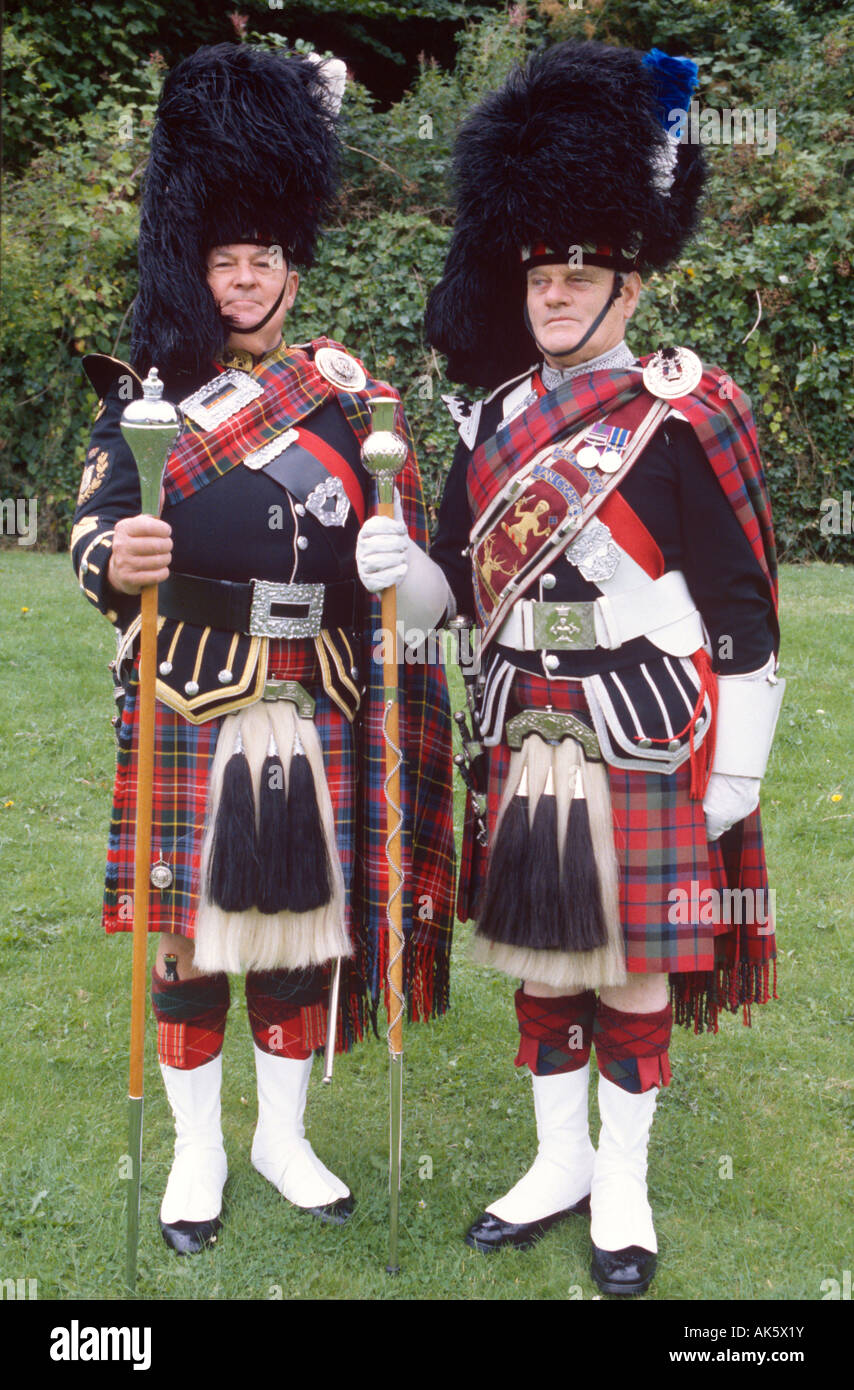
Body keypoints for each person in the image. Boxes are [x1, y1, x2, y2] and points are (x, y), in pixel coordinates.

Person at [71, 43, 455, 1256]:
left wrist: (407, 575)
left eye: (262, 261)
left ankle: (282, 1138)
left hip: (319, 691)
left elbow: (410, 556)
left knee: (297, 928)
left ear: (292, 271)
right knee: (187, 935)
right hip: (191, 690)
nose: (241, 282)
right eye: (223, 261)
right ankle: (196, 1148)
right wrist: (111, 563)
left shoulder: (351, 397)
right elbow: (87, 533)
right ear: (201, 266)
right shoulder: (146, 396)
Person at [424, 40, 785, 1295]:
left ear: (631, 282)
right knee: (536, 954)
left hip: (642, 723)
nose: (560, 292)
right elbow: (447, 596)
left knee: (629, 961)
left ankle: (621, 1183)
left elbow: (741, 613)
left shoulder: (684, 411)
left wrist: (734, 766)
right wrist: (388, 566)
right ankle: (555, 1163)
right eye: (543, 274)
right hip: (520, 719)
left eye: (585, 273)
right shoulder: (486, 425)